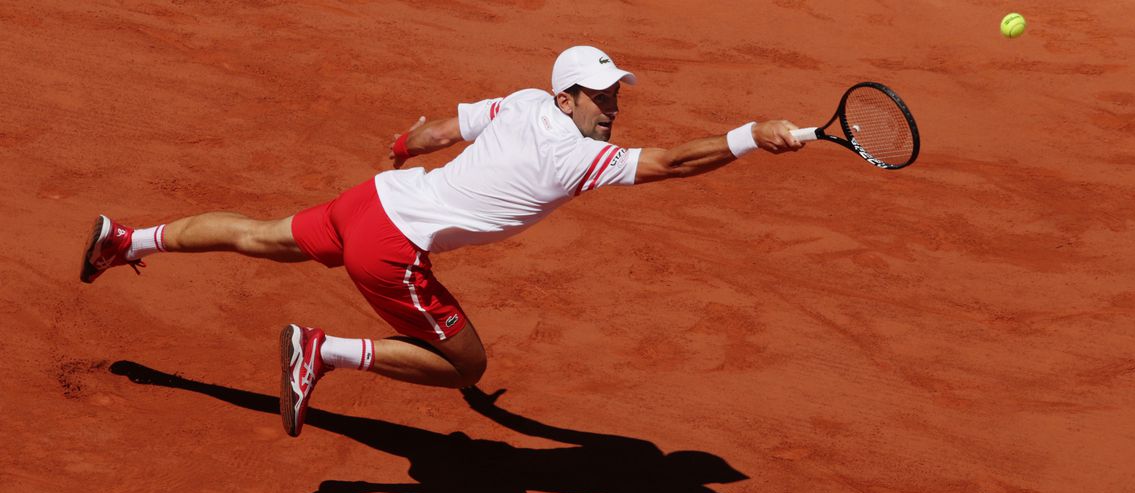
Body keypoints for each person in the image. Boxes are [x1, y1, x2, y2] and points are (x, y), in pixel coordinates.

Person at [81, 45, 805, 437]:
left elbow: (432, 133)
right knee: (463, 365)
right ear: (567, 98)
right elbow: (674, 161)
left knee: (261, 236)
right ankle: (322, 351)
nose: (612, 107)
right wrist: (750, 136)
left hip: (371, 200)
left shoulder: (521, 103)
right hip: (391, 247)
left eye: (616, 94)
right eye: (600, 96)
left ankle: (125, 239)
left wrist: (403, 142)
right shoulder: (572, 155)